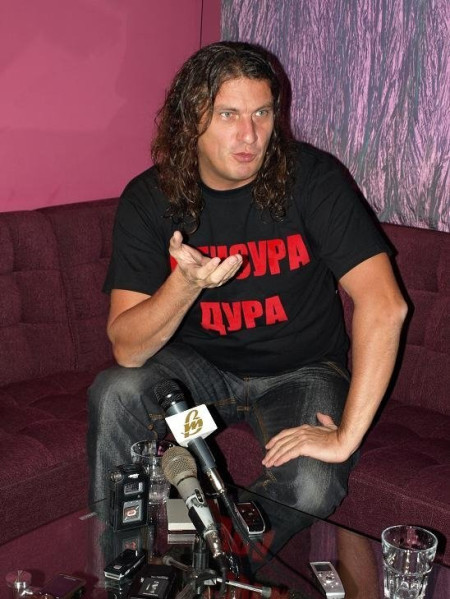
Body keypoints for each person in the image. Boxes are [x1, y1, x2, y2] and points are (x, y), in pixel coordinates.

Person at [88, 41, 407, 573]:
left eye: (262, 113)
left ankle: (204, 574)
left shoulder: (312, 180)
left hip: (300, 373)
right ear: (190, 122)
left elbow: (385, 305)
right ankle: (120, 570)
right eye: (228, 115)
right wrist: (184, 285)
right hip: (200, 378)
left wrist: (346, 437)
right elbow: (127, 349)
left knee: (313, 482)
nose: (250, 135)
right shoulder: (152, 198)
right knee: (116, 392)